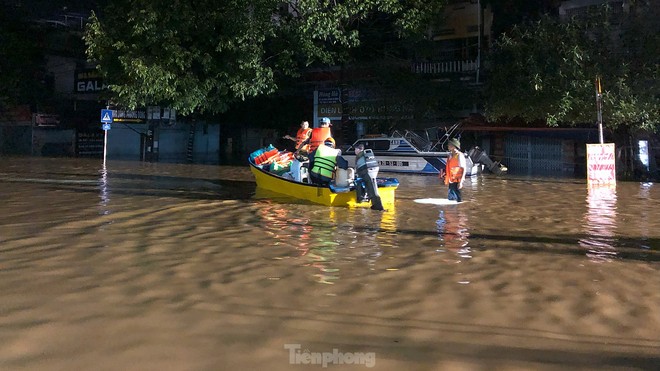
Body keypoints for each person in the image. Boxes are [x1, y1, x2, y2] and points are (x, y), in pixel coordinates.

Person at [354, 143, 384, 210]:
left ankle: (378, 206)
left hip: (366, 170)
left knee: (371, 187)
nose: (354, 151)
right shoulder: (366, 155)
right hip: (373, 169)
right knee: (372, 186)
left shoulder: (359, 156)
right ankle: (376, 205)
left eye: (355, 149)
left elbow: (357, 171)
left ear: (359, 149)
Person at [443, 137, 466, 202]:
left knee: (457, 199)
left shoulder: (459, 155)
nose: (448, 146)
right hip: (451, 180)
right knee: (451, 199)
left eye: (450, 145)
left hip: (457, 180)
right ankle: (452, 211)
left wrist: (461, 182)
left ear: (454, 146)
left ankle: (457, 210)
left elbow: (464, 169)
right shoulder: (450, 155)